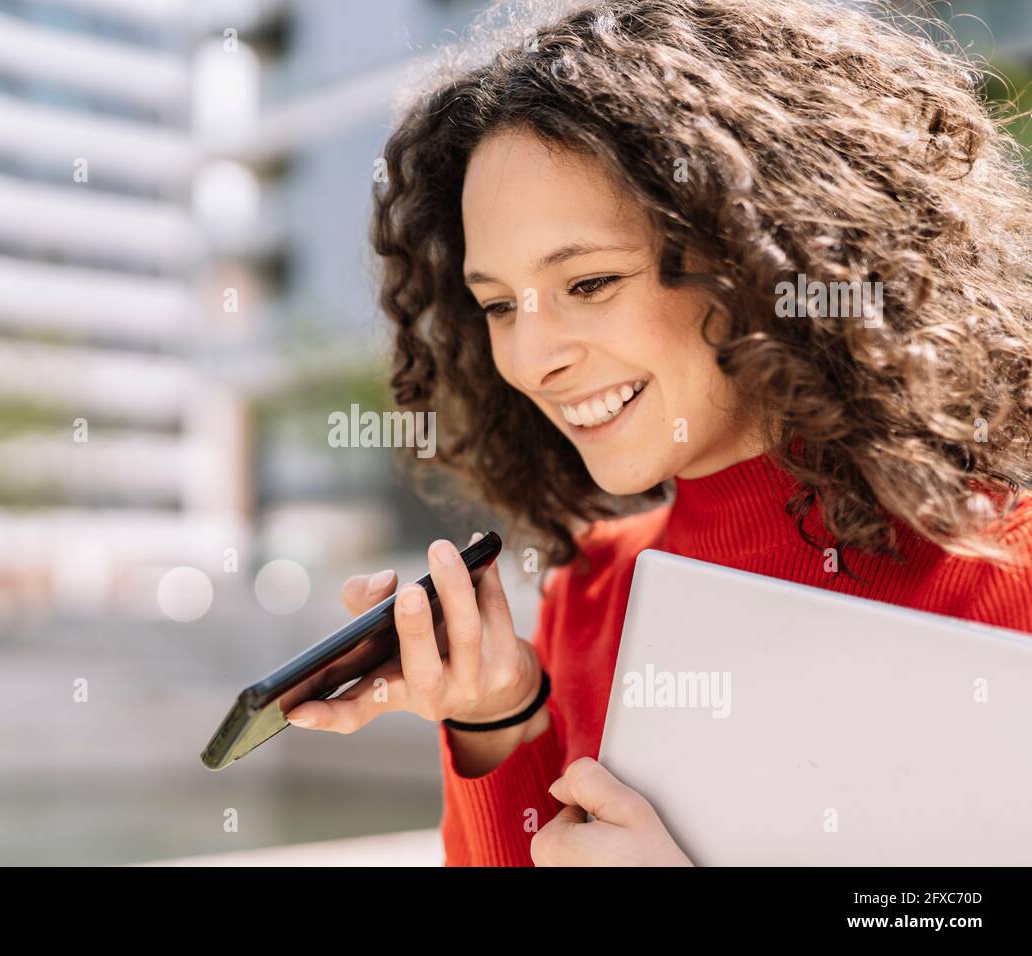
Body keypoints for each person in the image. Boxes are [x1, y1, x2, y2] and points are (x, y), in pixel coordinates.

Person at [286, 0, 1032, 866]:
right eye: (497, 305)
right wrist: (496, 717)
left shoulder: (1002, 575)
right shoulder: (593, 588)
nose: (531, 358)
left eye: (591, 283)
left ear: (765, 254)